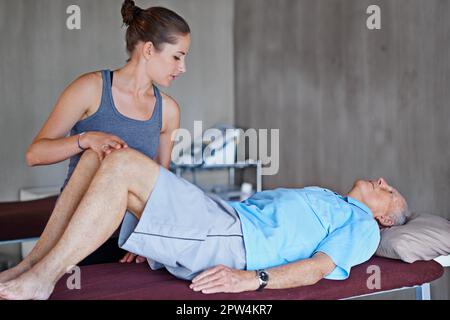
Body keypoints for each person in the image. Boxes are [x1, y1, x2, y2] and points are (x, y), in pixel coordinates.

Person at [0, 147, 409, 300]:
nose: (383, 182)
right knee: (96, 158)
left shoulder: (364, 228)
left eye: (389, 192)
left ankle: (43, 279)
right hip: (221, 220)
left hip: (233, 242)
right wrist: (152, 238)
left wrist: (252, 280)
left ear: (385, 218)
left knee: (122, 162)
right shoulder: (330, 198)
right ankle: (30, 267)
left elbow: (319, 267)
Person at [23, 1, 191, 266]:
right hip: (78, 234)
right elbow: (35, 154)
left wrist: (151, 239)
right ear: (148, 49)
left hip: (129, 242)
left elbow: (160, 184)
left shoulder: (168, 110)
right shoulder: (90, 89)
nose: (182, 67)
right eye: (177, 56)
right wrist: (86, 139)